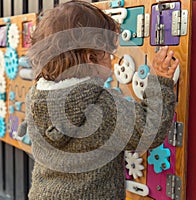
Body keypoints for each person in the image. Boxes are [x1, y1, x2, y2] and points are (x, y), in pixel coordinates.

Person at [21, 1, 179, 199]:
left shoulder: (35, 97)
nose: (112, 62)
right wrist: (160, 82)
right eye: (109, 55)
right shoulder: (101, 106)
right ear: (91, 58)